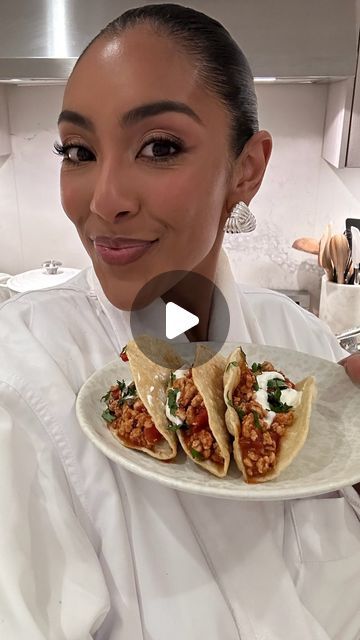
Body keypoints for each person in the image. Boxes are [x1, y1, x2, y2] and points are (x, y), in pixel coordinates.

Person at [0, 4, 359, 639]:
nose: (106, 200)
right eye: (77, 150)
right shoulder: (24, 369)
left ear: (246, 168)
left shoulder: (304, 345)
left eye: (159, 147)